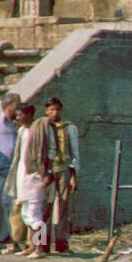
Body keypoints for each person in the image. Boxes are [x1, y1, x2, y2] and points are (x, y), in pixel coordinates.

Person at [6, 102, 54, 260]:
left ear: (27, 114)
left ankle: (39, 249)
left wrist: (49, 172)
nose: (17, 117)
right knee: (26, 212)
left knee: (35, 213)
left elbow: (52, 151)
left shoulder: (42, 127)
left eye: (19, 114)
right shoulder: (21, 130)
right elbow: (19, 154)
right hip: (23, 175)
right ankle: (31, 246)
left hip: (36, 175)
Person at [40, 97, 77, 253]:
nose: (54, 113)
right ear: (46, 111)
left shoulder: (69, 128)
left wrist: (74, 174)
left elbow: (75, 153)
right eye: (51, 110)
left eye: (57, 109)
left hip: (63, 170)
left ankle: (62, 242)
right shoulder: (41, 127)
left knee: (63, 207)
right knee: (42, 208)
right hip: (46, 172)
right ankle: (42, 243)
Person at [0, 93, 21, 253]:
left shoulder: (17, 124)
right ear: (9, 106)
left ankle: (12, 240)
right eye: (17, 105)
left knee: (12, 207)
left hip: (15, 172)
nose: (19, 108)